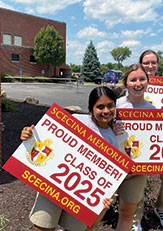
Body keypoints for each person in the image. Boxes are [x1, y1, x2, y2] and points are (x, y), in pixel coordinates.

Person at [20, 86, 117, 231]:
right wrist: (28, 135)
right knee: (43, 226)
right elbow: (49, 142)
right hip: (54, 183)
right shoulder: (75, 120)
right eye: (100, 107)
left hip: (82, 193)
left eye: (110, 106)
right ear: (91, 108)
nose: (106, 111)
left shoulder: (112, 139)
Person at [129, 50, 163, 231]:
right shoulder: (136, 82)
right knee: (139, 179)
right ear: (140, 63)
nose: (150, 66)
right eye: (146, 62)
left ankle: (162, 209)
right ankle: (135, 219)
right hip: (139, 143)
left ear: (158, 64)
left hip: (162, 142)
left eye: (153, 62)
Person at [113, 64, 156, 231]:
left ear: (147, 82)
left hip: (137, 170)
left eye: (142, 79)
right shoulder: (115, 105)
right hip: (114, 166)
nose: (138, 83)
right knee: (96, 209)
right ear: (125, 84)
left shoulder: (153, 110)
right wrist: (111, 129)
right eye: (133, 80)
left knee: (127, 213)